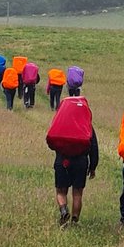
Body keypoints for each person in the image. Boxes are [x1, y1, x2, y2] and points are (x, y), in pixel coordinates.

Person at [46, 96, 99, 226]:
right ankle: (75, 220)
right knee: (77, 193)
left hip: (62, 160)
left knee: (61, 191)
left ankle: (64, 210)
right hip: (81, 162)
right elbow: (94, 147)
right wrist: (93, 167)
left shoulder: (60, 122)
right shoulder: (87, 125)